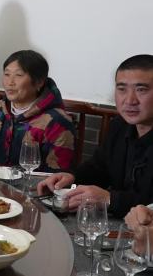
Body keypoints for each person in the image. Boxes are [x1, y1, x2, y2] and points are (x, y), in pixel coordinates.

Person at [38, 54, 153, 217]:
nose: (129, 100)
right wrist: (71, 177)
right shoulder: (120, 125)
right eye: (121, 89)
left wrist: (109, 199)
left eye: (141, 90)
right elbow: (99, 167)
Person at [0, 50, 75, 172]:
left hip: (32, 188)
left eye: (18, 75)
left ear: (39, 82)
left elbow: (56, 177)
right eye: (7, 74)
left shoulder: (57, 122)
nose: (10, 82)